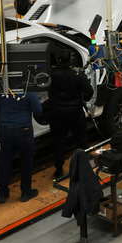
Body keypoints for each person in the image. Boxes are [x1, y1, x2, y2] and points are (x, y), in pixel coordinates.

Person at [49, 49, 94, 179]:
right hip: (75, 112)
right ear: (71, 60)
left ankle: (58, 169)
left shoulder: (52, 74)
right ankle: (85, 166)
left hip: (57, 113)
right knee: (81, 138)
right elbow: (89, 92)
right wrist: (83, 100)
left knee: (58, 141)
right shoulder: (78, 75)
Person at [0, 91, 42, 203]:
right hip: (23, 129)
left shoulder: (0, 91)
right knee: (26, 160)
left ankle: (2, 193)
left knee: (5, 160)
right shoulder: (28, 92)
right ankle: (26, 192)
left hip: (4, 128)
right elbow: (38, 111)